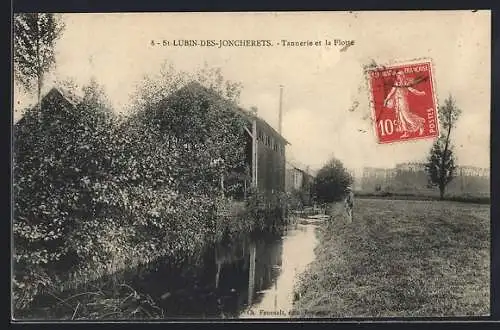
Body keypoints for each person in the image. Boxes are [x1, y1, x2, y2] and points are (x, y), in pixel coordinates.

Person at [383, 70, 426, 138]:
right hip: (398, 102)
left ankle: (420, 125)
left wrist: (420, 93)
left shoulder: (405, 83)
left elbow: (412, 90)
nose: (398, 76)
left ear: (402, 76)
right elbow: (391, 92)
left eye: (399, 75)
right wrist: (386, 100)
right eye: (397, 75)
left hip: (403, 102)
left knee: (407, 117)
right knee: (401, 118)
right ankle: (406, 132)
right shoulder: (396, 83)